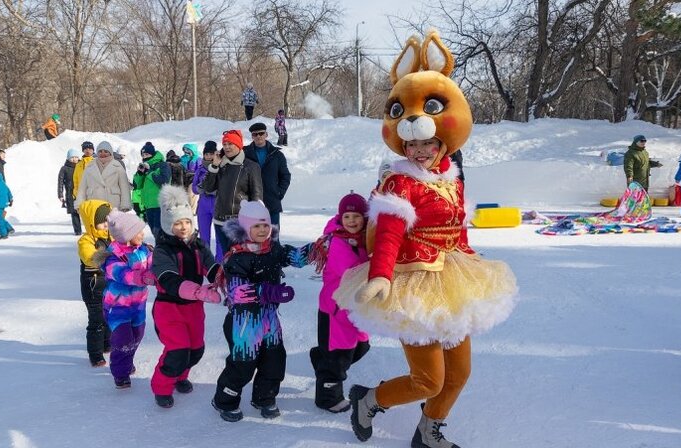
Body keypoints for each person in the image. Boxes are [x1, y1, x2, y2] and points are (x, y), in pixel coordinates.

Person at [333, 31, 517, 447]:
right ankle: (369, 400)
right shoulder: (400, 182)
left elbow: (458, 227)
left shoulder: (451, 178)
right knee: (427, 379)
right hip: (412, 280)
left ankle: (429, 431)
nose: (418, 151)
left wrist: (470, 258)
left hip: (452, 277)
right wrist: (380, 276)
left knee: (459, 374)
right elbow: (391, 233)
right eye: (411, 144)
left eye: (426, 144)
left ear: (441, 142)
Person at [211, 200, 310, 422]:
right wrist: (271, 293)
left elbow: (294, 256)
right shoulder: (237, 256)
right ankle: (224, 400)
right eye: (256, 226)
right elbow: (237, 292)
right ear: (246, 228)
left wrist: (319, 248)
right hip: (244, 320)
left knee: (274, 359)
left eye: (265, 225)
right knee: (244, 363)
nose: (263, 230)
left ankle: (264, 397)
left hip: (269, 317)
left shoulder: (272, 249)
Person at [150, 185, 220, 408]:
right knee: (178, 349)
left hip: (193, 308)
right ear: (168, 225)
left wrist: (224, 278)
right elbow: (169, 279)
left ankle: (180, 375)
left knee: (195, 349)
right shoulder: (163, 250)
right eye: (177, 223)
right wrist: (200, 291)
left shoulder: (198, 245)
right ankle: (162, 386)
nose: (183, 227)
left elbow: (211, 267)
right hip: (169, 308)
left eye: (187, 222)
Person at [308, 192, 371, 413]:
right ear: (340, 218)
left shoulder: (364, 239)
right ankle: (328, 398)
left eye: (356, 216)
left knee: (362, 346)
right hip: (335, 308)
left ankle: (320, 359)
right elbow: (352, 270)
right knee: (338, 357)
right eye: (347, 217)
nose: (352, 221)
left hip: (355, 307)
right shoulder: (337, 242)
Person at [95, 210, 154, 389]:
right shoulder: (112, 255)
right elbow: (122, 274)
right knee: (123, 339)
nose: (142, 234)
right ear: (126, 235)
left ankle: (126, 360)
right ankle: (120, 372)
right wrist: (144, 278)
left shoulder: (145, 250)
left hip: (138, 305)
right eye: (138, 231)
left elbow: (156, 266)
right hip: (117, 307)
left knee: (137, 336)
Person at [202, 130, 263, 262]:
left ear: (239, 145)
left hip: (239, 222)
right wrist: (214, 166)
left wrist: (255, 222)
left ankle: (241, 283)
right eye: (225, 144)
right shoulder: (221, 165)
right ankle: (229, 282)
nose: (227, 147)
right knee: (226, 257)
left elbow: (257, 196)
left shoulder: (250, 166)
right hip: (220, 221)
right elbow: (207, 188)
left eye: (231, 144)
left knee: (240, 259)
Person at [77, 200, 113, 367]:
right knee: (96, 319)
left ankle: (106, 343)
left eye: (108, 221)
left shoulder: (111, 237)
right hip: (93, 285)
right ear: (91, 222)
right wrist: (108, 257)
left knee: (108, 315)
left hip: (108, 284)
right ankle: (95, 353)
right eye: (101, 222)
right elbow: (89, 258)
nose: (105, 225)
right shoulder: (86, 241)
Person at [244, 123, 291, 229]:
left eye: (261, 133)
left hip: (272, 203)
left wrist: (279, 193)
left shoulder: (277, 155)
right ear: (252, 136)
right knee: (252, 239)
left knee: (273, 239)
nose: (258, 136)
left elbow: (285, 176)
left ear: (266, 134)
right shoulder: (245, 153)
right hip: (251, 203)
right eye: (255, 134)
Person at [73, 141, 132, 212]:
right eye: (100, 151)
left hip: (114, 204)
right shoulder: (90, 166)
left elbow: (124, 187)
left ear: (110, 152)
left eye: (106, 151)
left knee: (112, 223)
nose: (103, 153)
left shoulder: (117, 166)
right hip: (94, 204)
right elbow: (82, 187)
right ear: (97, 153)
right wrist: (80, 204)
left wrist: (125, 204)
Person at [134, 142, 171, 237]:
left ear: (153, 154)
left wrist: (149, 172)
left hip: (160, 204)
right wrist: (140, 174)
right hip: (148, 205)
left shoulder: (162, 165)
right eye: (143, 155)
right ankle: (160, 250)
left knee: (161, 233)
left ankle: (164, 251)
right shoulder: (145, 166)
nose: (145, 156)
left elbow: (164, 181)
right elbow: (137, 185)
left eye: (147, 154)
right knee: (155, 232)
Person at [192, 141, 219, 256]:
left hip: (218, 204)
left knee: (219, 235)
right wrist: (200, 189)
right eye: (206, 154)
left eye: (211, 154)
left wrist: (214, 190)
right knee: (204, 235)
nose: (208, 156)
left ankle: (220, 262)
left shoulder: (221, 167)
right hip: (203, 204)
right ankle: (206, 262)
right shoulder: (200, 169)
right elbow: (193, 188)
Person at [58, 148, 82, 235]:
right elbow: (60, 182)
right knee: (74, 213)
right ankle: (78, 231)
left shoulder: (81, 166)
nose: (74, 159)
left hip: (81, 193)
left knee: (85, 211)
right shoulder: (64, 169)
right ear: (68, 158)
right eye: (72, 157)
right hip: (70, 194)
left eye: (76, 157)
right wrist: (60, 195)